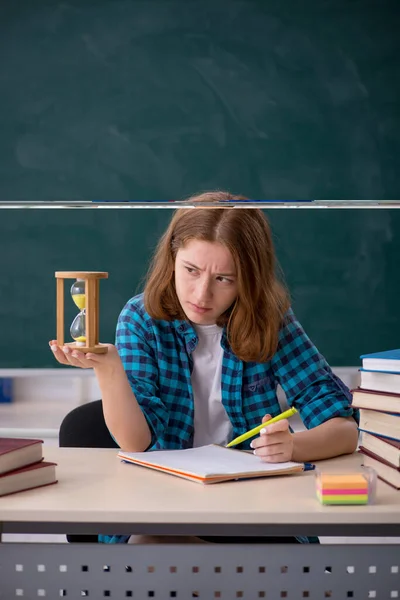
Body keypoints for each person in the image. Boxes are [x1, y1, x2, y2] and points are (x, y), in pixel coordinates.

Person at [50, 190, 358, 545]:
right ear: (172, 257)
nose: (201, 294)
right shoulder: (140, 318)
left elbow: (344, 429)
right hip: (163, 502)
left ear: (249, 278)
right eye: (191, 271)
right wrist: (108, 367)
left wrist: (293, 447)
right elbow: (136, 442)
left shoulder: (269, 319)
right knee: (152, 547)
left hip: (248, 505)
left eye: (223, 279)